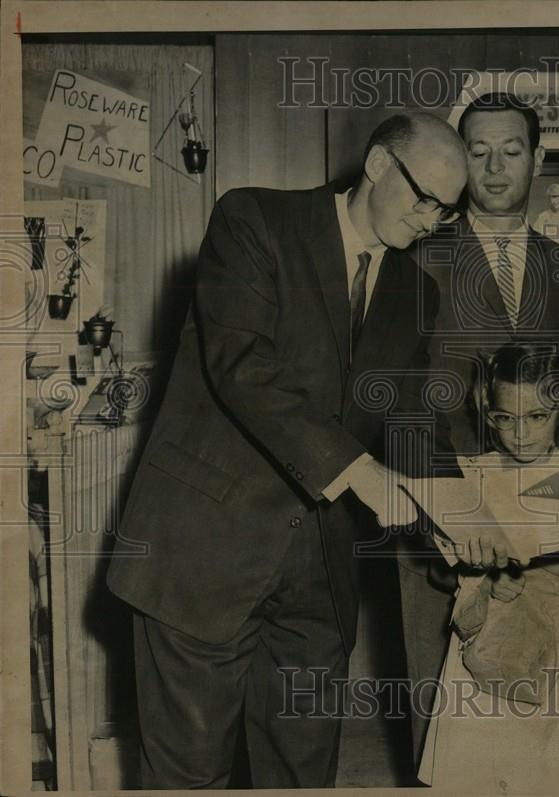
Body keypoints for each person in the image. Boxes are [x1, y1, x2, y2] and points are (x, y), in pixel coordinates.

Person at [105, 113, 468, 789]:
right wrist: (358, 470)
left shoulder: (415, 292)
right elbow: (243, 366)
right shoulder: (254, 222)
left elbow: (417, 419)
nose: (430, 220)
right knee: (189, 776)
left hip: (316, 577)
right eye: (425, 198)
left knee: (302, 775)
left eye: (447, 211)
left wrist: (464, 513)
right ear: (380, 164)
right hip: (202, 553)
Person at [398, 92, 559, 765]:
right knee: (444, 707)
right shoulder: (417, 256)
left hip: (543, 518)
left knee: (542, 700)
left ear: (538, 157)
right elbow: (397, 395)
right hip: (441, 508)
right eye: (477, 150)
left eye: (512, 149)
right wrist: (443, 502)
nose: (495, 165)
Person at [418, 343, 559, 791]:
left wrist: (523, 552)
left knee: (555, 771)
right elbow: (440, 572)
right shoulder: (471, 473)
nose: (519, 433)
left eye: (537, 416)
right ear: (487, 411)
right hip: (485, 645)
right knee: (482, 769)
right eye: (505, 418)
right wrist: (473, 564)